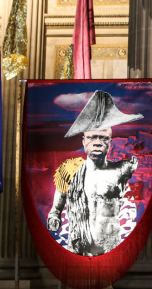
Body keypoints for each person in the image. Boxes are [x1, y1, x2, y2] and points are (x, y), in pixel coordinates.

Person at [47, 90, 143, 256]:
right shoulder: (69, 171)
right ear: (83, 140)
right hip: (77, 248)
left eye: (103, 138)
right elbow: (56, 209)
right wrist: (54, 219)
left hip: (110, 248)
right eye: (92, 137)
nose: (97, 142)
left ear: (110, 142)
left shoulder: (123, 168)